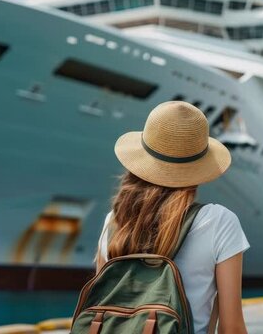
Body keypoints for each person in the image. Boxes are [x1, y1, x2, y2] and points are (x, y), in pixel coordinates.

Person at [96, 101, 250, 334]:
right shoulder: (219, 221)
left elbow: (101, 304)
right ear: (199, 166)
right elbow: (231, 328)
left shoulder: (115, 221)